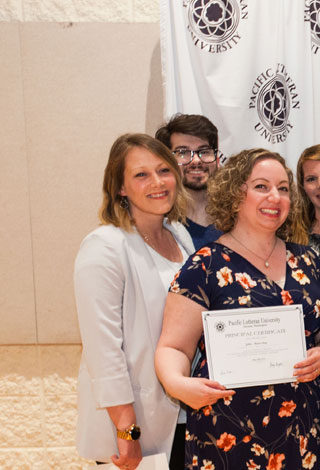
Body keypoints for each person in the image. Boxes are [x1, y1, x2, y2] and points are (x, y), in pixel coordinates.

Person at [155, 149, 320, 469]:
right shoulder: (205, 264)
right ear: (236, 194)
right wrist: (177, 384)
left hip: (303, 433)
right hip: (227, 434)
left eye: (282, 188)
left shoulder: (309, 261)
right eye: (261, 186)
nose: (275, 197)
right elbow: (173, 346)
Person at [76, 134, 193, 470]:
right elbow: (103, 349)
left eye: (163, 170)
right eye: (141, 175)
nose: (157, 182)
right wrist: (127, 430)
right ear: (121, 188)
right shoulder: (104, 246)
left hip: (183, 413)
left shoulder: (180, 236)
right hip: (133, 425)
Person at [155, 114, 223, 248]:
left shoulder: (237, 219)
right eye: (183, 153)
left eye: (204, 151)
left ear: (217, 160)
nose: (196, 161)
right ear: (166, 162)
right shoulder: (159, 224)